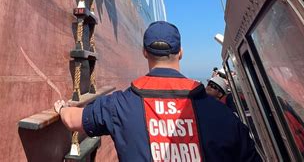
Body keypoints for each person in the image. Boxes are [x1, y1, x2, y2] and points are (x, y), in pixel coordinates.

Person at [54, 21, 261, 161]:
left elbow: (73, 121)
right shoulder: (223, 115)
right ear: (180, 53)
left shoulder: (119, 105)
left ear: (145, 52)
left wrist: (62, 108)